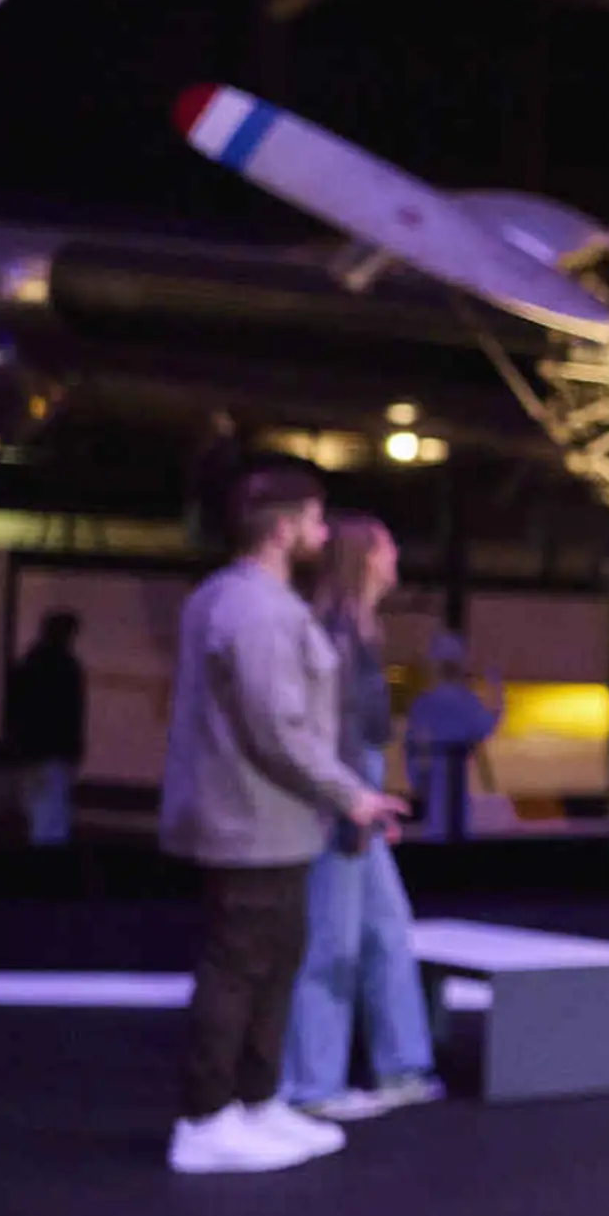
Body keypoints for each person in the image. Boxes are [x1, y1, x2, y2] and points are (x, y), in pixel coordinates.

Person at [160, 465, 410, 1175]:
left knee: (271, 967)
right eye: (314, 520)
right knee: (240, 969)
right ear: (282, 528)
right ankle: (207, 1119)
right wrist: (350, 793)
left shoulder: (235, 599)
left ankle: (254, 1103)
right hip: (251, 821)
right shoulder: (256, 609)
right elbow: (279, 726)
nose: (322, 533)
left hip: (270, 821)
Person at [282, 513, 444, 1122]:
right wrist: (355, 805)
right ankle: (313, 1084)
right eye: (389, 544)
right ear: (367, 557)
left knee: (384, 931)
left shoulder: (357, 630)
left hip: (359, 798)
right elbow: (333, 734)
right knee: (334, 941)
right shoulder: (334, 632)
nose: (397, 555)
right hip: (340, 802)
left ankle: (402, 1067)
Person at [404, 630, 501, 840]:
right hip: (454, 779)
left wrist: (416, 778)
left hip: (439, 781)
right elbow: (487, 726)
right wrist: (497, 691)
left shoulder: (425, 703)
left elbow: (413, 748)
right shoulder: (465, 700)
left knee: (439, 826)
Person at [3, 609, 86, 845]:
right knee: (53, 814)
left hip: (30, 749)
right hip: (57, 751)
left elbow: (14, 707)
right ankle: (48, 869)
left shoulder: (28, 664)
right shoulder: (69, 668)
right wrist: (75, 749)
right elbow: (72, 714)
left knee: (36, 809)